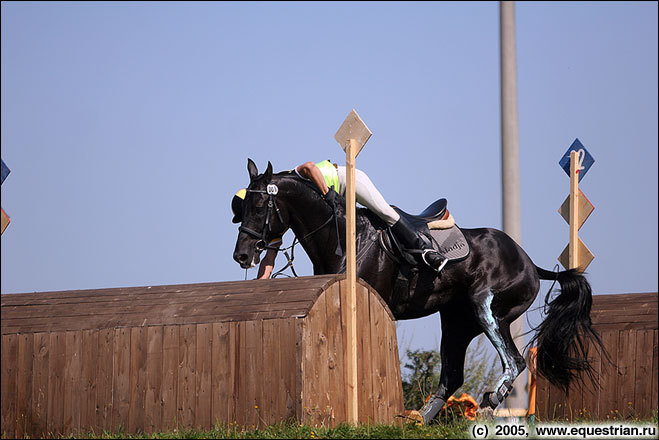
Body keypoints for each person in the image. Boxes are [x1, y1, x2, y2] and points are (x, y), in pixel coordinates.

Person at [232, 160, 445, 279]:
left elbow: (309, 167)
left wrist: (326, 193)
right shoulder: (282, 210)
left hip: (347, 180)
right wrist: (258, 288)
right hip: (334, 196)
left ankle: (427, 251)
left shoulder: (287, 179)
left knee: (386, 212)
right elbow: (270, 257)